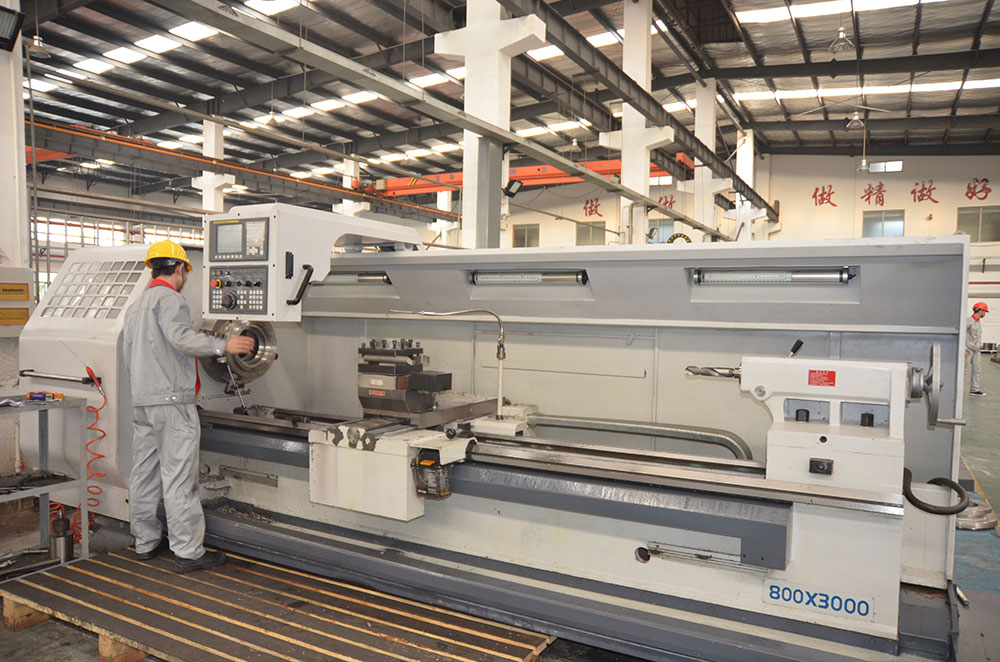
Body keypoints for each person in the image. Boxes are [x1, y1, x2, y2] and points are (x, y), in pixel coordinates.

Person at [122, 240, 255, 573]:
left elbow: (129, 356)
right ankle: (188, 551)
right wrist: (224, 344)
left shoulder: (136, 307)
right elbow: (182, 338)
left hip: (143, 402)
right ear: (180, 269)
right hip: (171, 404)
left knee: (144, 475)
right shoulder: (170, 300)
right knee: (179, 478)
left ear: (153, 268)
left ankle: (145, 541)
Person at [967, 302, 989, 397]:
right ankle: (957, 389)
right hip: (968, 350)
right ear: (980, 311)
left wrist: (979, 345)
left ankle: (974, 389)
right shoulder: (968, 321)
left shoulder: (979, 323)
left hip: (976, 351)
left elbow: (978, 336)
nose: (984, 314)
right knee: (963, 371)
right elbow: (962, 334)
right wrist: (964, 348)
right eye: (984, 312)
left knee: (977, 370)